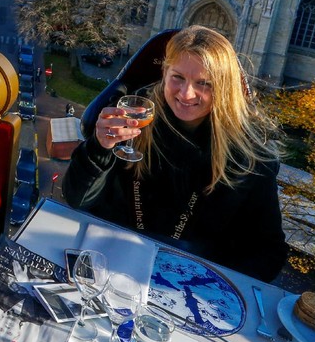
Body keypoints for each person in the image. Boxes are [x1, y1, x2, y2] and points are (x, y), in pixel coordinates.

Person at [62, 26, 286, 282]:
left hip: (186, 281)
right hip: (108, 259)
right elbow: (77, 199)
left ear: (224, 88)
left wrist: (209, 285)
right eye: (177, 77)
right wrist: (99, 148)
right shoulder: (132, 117)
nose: (186, 94)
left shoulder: (250, 154)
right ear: (164, 73)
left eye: (204, 83)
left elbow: (269, 252)